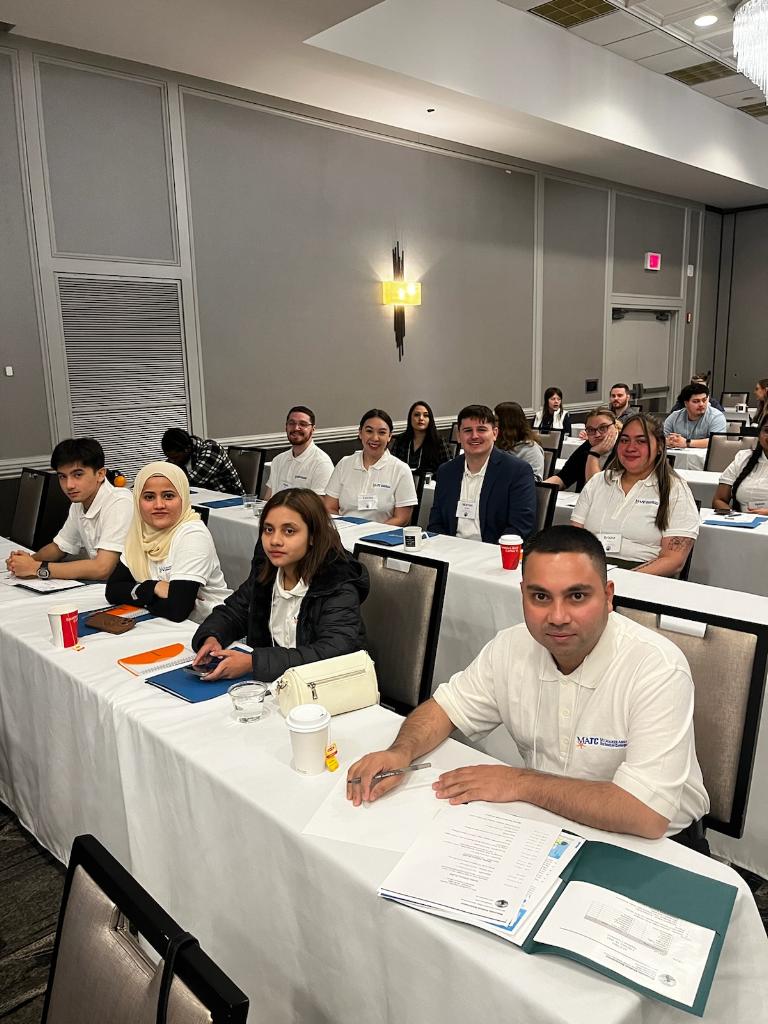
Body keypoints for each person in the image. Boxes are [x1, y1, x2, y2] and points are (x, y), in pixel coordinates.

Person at [347, 526, 709, 848]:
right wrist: (400, 752)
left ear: (609, 595)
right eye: (540, 597)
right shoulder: (512, 646)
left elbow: (646, 814)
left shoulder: (656, 666)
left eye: (577, 596)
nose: (557, 616)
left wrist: (520, 782)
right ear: (522, 594)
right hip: (552, 823)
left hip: (661, 846)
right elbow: (444, 709)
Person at [191, 488, 369, 681]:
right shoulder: (268, 570)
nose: (275, 541)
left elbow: (331, 653)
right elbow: (234, 611)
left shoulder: (337, 582)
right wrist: (212, 637)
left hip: (326, 689)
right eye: (268, 530)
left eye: (289, 531)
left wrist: (253, 663)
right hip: (275, 682)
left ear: (313, 536)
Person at [571, 414, 699, 576]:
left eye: (641, 441)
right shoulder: (598, 481)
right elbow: (575, 541)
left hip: (643, 577)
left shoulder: (675, 489)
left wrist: (622, 580)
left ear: (659, 446)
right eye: (624, 440)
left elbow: (673, 561)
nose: (630, 448)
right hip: (590, 571)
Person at [106, 462, 229, 623]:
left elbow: (177, 609)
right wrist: (154, 587)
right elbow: (113, 590)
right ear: (137, 501)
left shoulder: (193, 535)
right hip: (164, 623)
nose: (159, 505)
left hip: (211, 627)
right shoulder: (140, 534)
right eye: (149, 497)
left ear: (183, 498)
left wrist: (140, 593)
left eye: (168, 496)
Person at [5, 437, 132, 582]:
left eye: (78, 475)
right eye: (62, 477)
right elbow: (58, 548)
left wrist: (35, 568)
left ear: (100, 474)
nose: (69, 485)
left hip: (134, 588)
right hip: (104, 587)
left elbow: (102, 569)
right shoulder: (78, 503)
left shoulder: (119, 502)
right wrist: (26, 561)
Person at [428, 404, 536, 543]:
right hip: (450, 552)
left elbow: (520, 526)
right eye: (467, 430)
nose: (474, 436)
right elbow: (436, 523)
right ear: (458, 436)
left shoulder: (517, 471)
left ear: (495, 433)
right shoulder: (446, 471)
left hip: (494, 554)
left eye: (481, 430)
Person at [323, 409, 417, 525]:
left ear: (389, 436)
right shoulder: (344, 464)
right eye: (369, 431)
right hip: (345, 533)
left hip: (381, 537)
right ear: (360, 433)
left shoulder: (401, 469)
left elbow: (402, 518)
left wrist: (371, 533)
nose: (375, 438)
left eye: (382, 433)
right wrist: (346, 529)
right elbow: (329, 507)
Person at [544, 406, 619, 493]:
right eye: (591, 430)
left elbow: (597, 491)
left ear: (615, 427)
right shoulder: (586, 447)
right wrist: (539, 488)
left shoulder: (624, 450)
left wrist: (594, 454)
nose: (597, 434)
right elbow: (563, 477)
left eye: (603, 428)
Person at [264, 406, 333, 499]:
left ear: (313, 429)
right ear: (286, 427)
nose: (296, 428)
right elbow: (267, 499)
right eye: (291, 423)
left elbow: (318, 507)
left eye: (303, 424)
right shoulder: (278, 460)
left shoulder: (321, 463)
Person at [161, 427, 244, 495]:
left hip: (230, 499)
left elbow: (193, 481)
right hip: (205, 498)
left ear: (187, 449)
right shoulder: (181, 456)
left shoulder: (212, 450)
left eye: (175, 458)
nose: (172, 461)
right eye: (169, 458)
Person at [713, 419, 768, 515]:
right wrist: (735, 516)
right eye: (767, 431)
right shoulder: (743, 458)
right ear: (759, 434)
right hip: (742, 523)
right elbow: (719, 500)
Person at [390, 400, 452, 475]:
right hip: (402, 482)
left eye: (426, 415)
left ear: (430, 419)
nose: (421, 418)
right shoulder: (400, 440)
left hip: (431, 484)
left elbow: (449, 469)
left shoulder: (439, 441)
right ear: (410, 418)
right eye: (417, 415)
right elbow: (391, 466)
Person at [664, 383, 726, 448]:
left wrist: (687, 443)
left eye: (704, 400)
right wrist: (669, 441)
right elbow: (661, 439)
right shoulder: (674, 417)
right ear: (686, 403)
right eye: (696, 401)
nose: (701, 404)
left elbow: (717, 442)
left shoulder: (716, 416)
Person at [494, 401, 545, 480]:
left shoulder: (531, 450)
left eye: (496, 421)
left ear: (507, 424)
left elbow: (533, 483)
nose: (493, 425)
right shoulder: (497, 445)